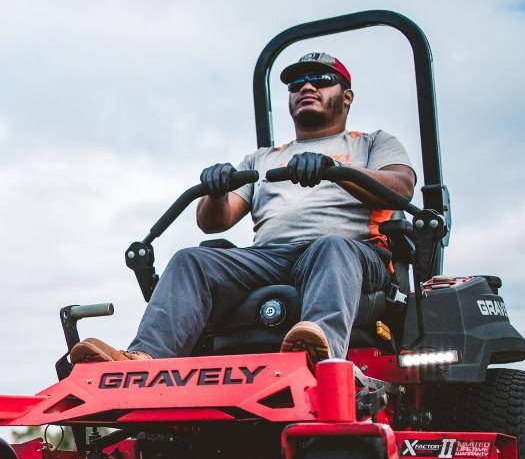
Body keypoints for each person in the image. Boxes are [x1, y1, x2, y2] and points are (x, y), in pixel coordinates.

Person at [71, 52, 416, 364]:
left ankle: (319, 351)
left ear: (347, 96)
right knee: (192, 259)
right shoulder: (263, 158)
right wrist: (217, 192)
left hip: (348, 252)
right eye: (297, 84)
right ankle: (145, 359)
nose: (306, 87)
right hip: (269, 257)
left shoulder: (373, 143)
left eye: (321, 80)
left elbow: (400, 187)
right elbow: (213, 222)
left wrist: (335, 170)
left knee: (331, 247)